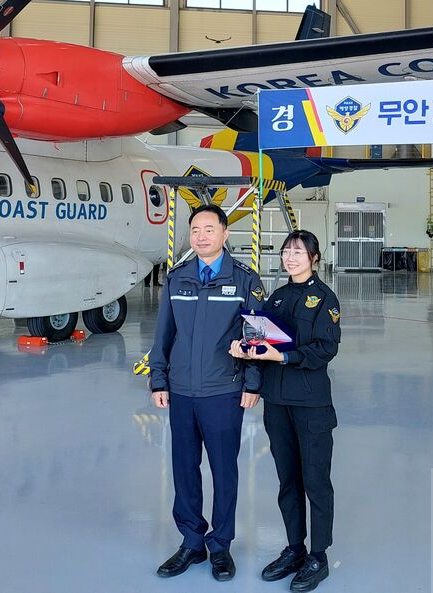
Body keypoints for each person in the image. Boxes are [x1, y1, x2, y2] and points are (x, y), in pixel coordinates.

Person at [148, 204, 264, 582]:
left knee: (224, 470)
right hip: (181, 391)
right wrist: (159, 379)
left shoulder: (245, 280)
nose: (201, 236)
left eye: (209, 229)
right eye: (195, 230)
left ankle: (221, 545)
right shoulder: (177, 278)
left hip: (223, 391)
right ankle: (192, 542)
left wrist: (253, 383)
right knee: (184, 468)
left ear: (225, 234)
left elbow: (256, 336)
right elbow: (164, 333)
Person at [230, 229, 341, 593]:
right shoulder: (276, 297)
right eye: (286, 252)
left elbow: (325, 349)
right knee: (288, 480)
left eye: (298, 252)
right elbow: (260, 338)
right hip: (277, 403)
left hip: (310, 404)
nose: (291, 257)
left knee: (315, 481)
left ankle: (318, 556)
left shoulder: (324, 299)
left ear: (314, 258)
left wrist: (284, 356)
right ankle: (295, 548)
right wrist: (246, 348)